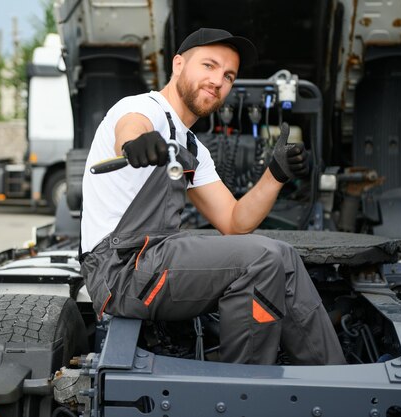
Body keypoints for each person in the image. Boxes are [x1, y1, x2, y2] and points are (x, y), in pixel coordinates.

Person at [79, 28, 345, 365]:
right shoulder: (142, 108)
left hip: (154, 258)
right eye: (208, 65)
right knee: (262, 258)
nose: (218, 80)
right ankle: (245, 391)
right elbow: (131, 127)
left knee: (284, 257)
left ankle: (336, 376)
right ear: (178, 65)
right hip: (120, 269)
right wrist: (135, 144)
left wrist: (275, 174)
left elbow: (235, 222)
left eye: (228, 75)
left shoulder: (192, 147)